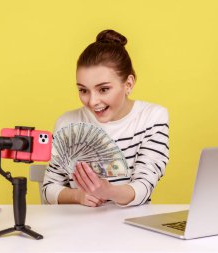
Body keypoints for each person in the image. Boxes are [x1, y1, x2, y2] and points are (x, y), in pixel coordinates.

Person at [42, 29, 169, 207]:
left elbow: (144, 185)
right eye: (83, 90)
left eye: (103, 89)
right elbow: (49, 187)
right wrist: (78, 196)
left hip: (131, 227)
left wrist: (107, 191)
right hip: (78, 227)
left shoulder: (152, 118)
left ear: (128, 84)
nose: (93, 102)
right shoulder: (67, 123)